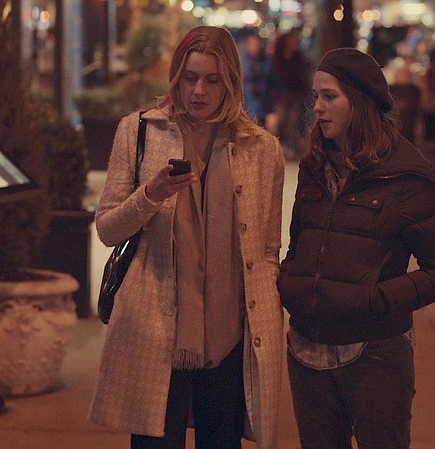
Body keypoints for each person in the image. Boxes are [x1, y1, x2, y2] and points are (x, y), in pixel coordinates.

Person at [88, 26, 286, 449]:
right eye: (190, 78)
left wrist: (267, 324)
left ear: (231, 82)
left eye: (212, 80)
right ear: (175, 77)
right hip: (156, 332)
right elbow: (107, 228)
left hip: (230, 336)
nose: (198, 91)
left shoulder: (260, 149)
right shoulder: (140, 131)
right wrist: (150, 195)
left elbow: (268, 250)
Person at [277, 47, 435, 449]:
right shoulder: (314, 165)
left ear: (359, 102)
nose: (317, 107)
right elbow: (300, 241)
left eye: (330, 96)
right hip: (307, 349)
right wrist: (292, 283)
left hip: (374, 354)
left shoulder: (405, 175)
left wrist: (377, 299)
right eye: (316, 96)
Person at [269, 31, 311, 160]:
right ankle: (284, 148)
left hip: (295, 96)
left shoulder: (298, 59)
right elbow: (272, 79)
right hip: (280, 97)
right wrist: (276, 95)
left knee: (293, 123)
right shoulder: (276, 59)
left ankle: (294, 149)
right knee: (282, 122)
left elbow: (302, 78)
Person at [241, 33, 273, 126]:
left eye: (256, 43)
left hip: (263, 102)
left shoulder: (266, 61)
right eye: (252, 44)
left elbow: (270, 78)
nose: (255, 46)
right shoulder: (242, 61)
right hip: (248, 102)